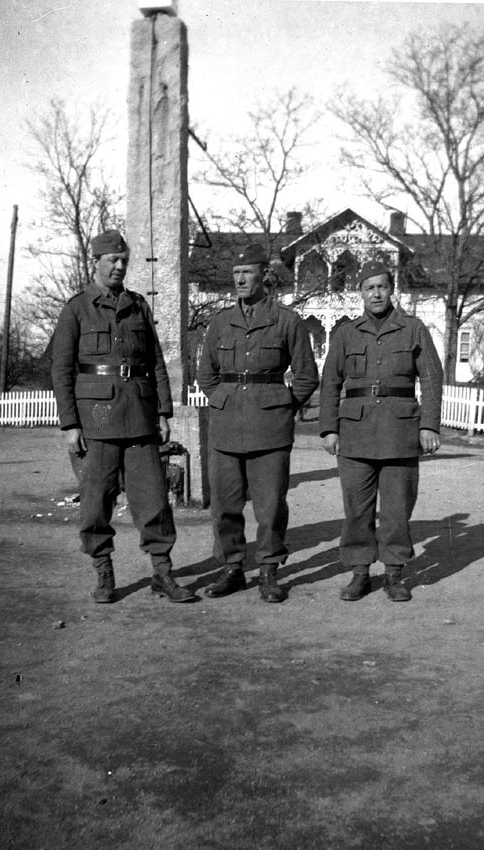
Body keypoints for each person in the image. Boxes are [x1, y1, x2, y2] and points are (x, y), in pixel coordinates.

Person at [51, 229, 196, 604]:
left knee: (154, 499)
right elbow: (61, 370)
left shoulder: (137, 306)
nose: (119, 266)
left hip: (139, 416)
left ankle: (162, 573)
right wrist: (70, 424)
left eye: (123, 261)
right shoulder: (77, 309)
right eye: (112, 260)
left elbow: (156, 362)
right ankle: (104, 572)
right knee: (96, 501)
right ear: (96, 262)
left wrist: (163, 411)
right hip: (95, 419)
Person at [197, 243, 319, 602]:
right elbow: (206, 374)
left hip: (270, 430)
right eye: (235, 274)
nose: (239, 280)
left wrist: (281, 407)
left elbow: (306, 376)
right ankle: (232, 568)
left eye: (246, 273)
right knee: (225, 505)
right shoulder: (220, 322)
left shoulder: (287, 321)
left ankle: (268, 571)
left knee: (270, 506)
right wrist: (224, 400)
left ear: (264, 275)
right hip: (225, 427)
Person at [319, 259, 443, 602]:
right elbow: (330, 382)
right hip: (355, 434)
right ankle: (360, 573)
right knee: (356, 509)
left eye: (382, 287)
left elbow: (431, 379)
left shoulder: (413, 329)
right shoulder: (345, 333)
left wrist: (429, 425)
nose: (376, 293)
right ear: (360, 293)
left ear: (392, 290)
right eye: (369, 287)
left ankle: (394, 574)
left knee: (397, 509)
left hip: (400, 432)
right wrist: (328, 428)